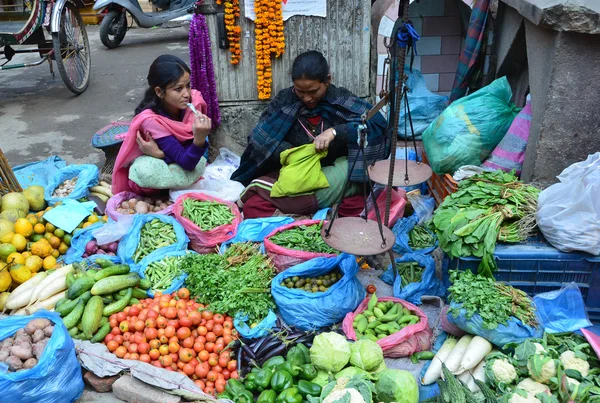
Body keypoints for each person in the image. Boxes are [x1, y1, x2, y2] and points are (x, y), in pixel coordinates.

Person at [231, 50, 389, 218]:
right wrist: (295, 154)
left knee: (366, 204)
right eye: (300, 91)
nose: (307, 98)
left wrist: (336, 132)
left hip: (331, 173)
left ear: (327, 80)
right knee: (253, 206)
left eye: (313, 91)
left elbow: (375, 126)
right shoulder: (284, 101)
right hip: (293, 174)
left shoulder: (341, 99)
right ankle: (319, 214)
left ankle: (303, 214)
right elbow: (260, 140)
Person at [112, 55, 212, 195]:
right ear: (159, 92)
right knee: (146, 172)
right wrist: (199, 140)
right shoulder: (152, 121)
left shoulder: (194, 102)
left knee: (201, 150)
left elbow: (188, 156)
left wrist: (161, 154)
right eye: (178, 89)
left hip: (178, 157)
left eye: (188, 85)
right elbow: (187, 163)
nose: (187, 94)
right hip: (168, 161)